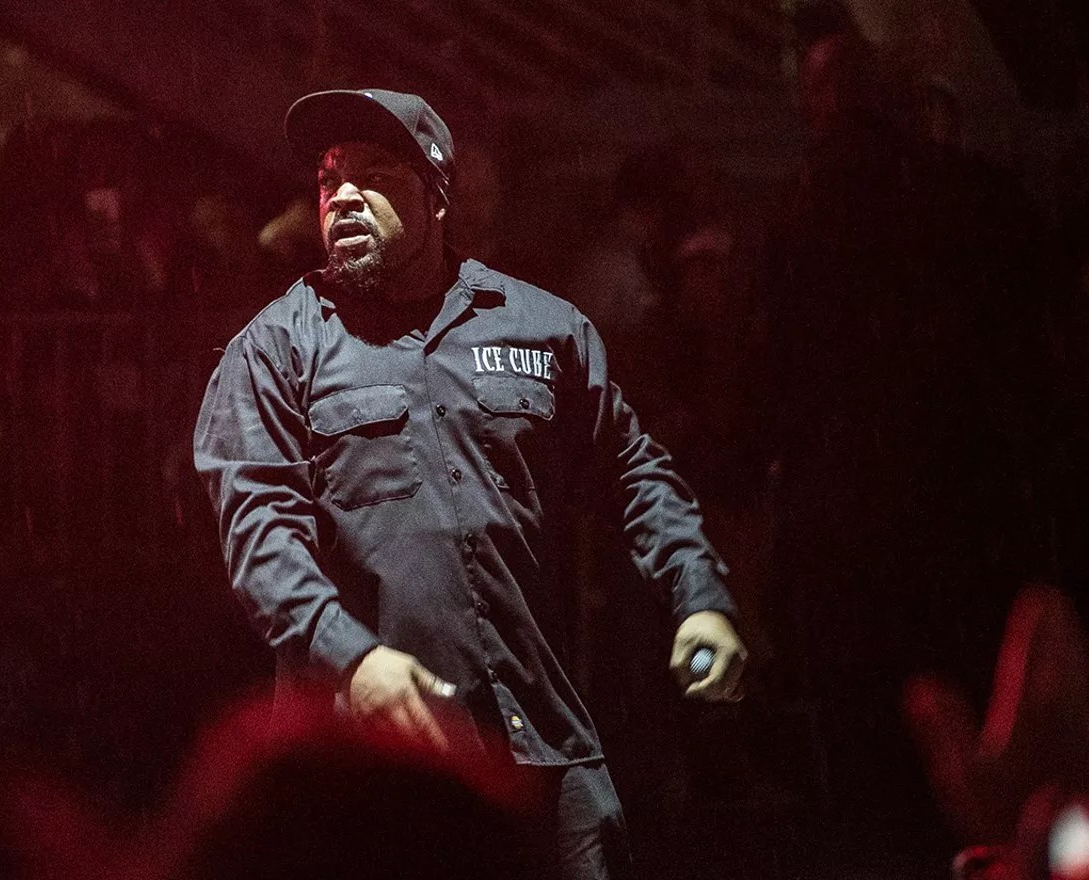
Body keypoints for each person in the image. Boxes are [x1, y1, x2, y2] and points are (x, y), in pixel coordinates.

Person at [193, 88, 747, 880]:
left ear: (438, 194)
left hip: (537, 752)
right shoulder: (276, 349)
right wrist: (354, 659)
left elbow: (631, 471)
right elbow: (259, 530)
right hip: (369, 776)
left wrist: (700, 595)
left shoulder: (542, 329)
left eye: (374, 174)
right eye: (328, 177)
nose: (342, 195)